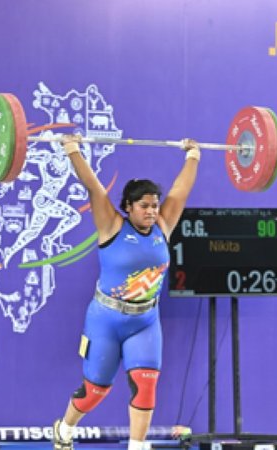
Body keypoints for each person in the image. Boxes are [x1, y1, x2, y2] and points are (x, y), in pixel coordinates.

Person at [51, 134, 200, 450]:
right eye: (144, 206)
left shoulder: (163, 226)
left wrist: (193, 156)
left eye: (154, 205)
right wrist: (72, 149)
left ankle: (136, 446)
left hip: (145, 321)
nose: (151, 211)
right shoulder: (111, 225)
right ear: (128, 207)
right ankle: (64, 428)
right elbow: (93, 187)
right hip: (105, 320)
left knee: (146, 385)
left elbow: (181, 191)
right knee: (95, 391)